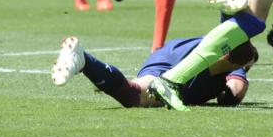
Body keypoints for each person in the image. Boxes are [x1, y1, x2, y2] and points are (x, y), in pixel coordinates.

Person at [51, 35, 257, 109]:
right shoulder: (236, 64)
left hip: (168, 54)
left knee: (134, 91)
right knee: (135, 98)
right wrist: (242, 73)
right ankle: (84, 60)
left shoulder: (214, 38)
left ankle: (87, 64)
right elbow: (234, 93)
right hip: (188, 67)